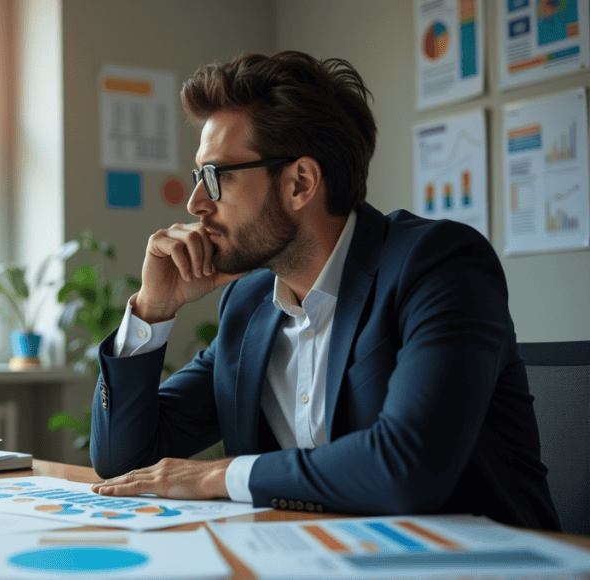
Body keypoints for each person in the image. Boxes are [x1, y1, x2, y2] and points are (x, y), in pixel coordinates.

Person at [88, 51, 560, 530]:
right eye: (197, 178)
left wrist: (221, 475)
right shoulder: (248, 307)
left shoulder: (439, 265)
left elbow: (407, 468)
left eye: (215, 177)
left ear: (300, 183)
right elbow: (123, 459)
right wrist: (152, 310)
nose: (195, 203)